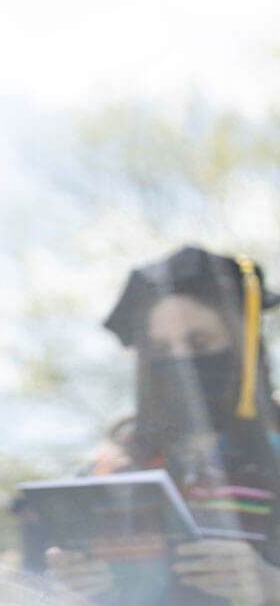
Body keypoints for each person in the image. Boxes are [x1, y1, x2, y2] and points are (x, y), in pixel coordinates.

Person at [45, 246, 280, 605]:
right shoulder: (111, 467)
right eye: (161, 350)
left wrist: (271, 585)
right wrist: (72, 587)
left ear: (244, 346)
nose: (181, 363)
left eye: (198, 342)